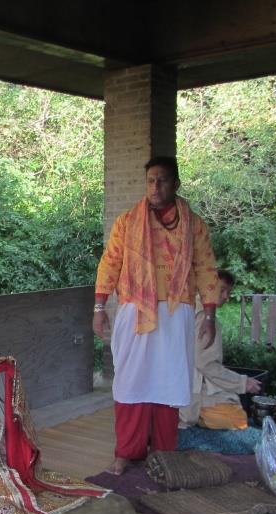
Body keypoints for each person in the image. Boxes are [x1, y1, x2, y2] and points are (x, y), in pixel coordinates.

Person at [93, 156, 218, 475]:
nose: (155, 186)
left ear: (175, 184)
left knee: (169, 383)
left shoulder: (195, 225)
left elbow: (205, 268)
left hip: (178, 311)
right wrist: (99, 307)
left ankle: (164, 453)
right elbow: (110, 263)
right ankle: (126, 453)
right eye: (150, 180)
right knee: (131, 382)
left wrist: (211, 314)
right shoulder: (127, 222)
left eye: (162, 180)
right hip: (135, 310)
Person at [179, 270, 262, 429]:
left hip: (178, 385)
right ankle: (195, 416)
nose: (226, 297)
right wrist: (243, 382)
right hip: (190, 388)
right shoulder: (205, 317)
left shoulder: (186, 307)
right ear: (207, 288)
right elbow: (205, 364)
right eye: (222, 290)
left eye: (228, 292)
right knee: (239, 419)